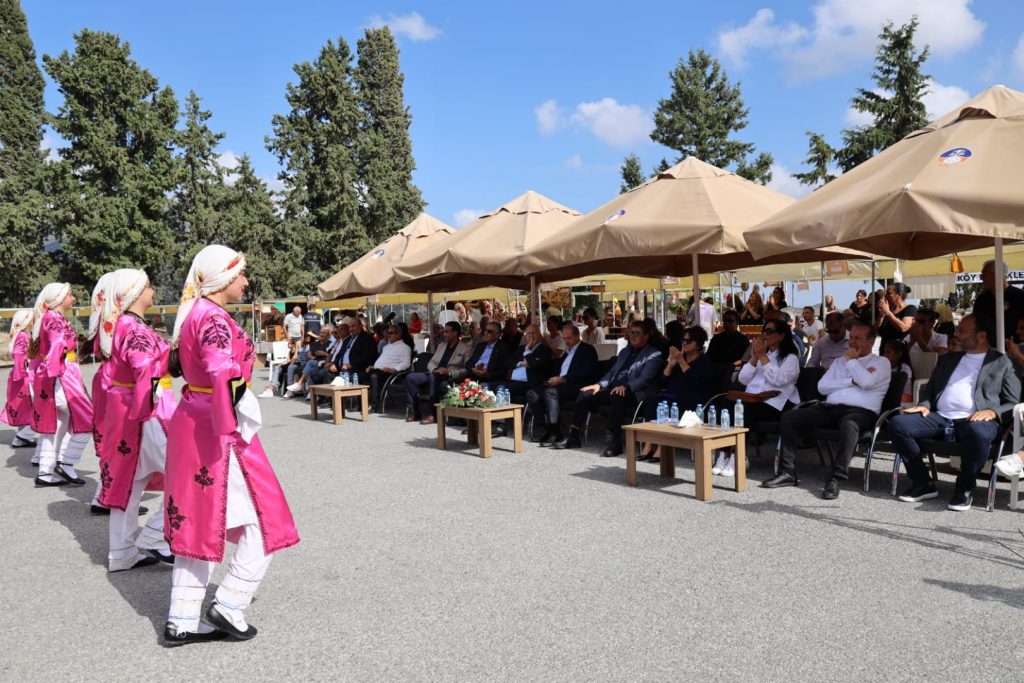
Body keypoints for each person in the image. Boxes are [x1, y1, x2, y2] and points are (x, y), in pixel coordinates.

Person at [164, 245, 299, 645]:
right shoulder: (214, 319)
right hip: (218, 428)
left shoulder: (196, 314)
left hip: (194, 418)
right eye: (240, 274)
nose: (245, 281)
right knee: (267, 520)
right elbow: (222, 370)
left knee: (197, 521)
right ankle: (231, 602)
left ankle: (183, 617)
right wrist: (238, 416)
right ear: (223, 279)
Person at [889, 314, 1020, 511]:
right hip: (940, 417)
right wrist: (925, 403)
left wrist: (993, 411)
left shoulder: (1002, 363)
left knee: (978, 433)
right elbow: (930, 389)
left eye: (962, 330)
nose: (956, 333)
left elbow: (1013, 403)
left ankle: (964, 488)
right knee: (898, 424)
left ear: (982, 336)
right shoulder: (948, 359)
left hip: (976, 420)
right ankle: (923, 482)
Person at [94, 269, 176, 572]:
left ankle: (122, 552)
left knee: (130, 481)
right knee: (186, 472)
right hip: (147, 411)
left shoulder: (122, 326)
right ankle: (156, 536)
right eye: (149, 287)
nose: (153, 292)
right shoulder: (136, 330)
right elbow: (144, 368)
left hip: (126, 411)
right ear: (135, 293)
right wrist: (151, 406)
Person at [765, 322, 891, 498]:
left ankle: (835, 477)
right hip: (831, 408)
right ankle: (787, 472)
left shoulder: (881, 362)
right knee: (790, 417)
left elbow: (866, 382)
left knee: (850, 424)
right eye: (851, 337)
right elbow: (822, 387)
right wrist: (850, 380)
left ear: (871, 341)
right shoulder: (840, 361)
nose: (852, 342)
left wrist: (852, 363)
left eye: (858, 338)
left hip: (862, 412)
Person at [554, 320, 663, 457]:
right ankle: (573, 436)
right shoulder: (624, 351)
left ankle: (615, 442)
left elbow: (645, 379)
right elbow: (611, 373)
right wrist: (598, 385)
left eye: (637, 333)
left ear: (646, 336)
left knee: (617, 395)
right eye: (631, 333)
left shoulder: (653, 354)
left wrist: (626, 386)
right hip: (613, 389)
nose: (633, 336)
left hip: (635, 393)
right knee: (585, 392)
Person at [30, 283, 94, 487]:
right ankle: (66, 463)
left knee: (57, 424)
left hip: (55, 375)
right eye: (70, 295)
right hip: (62, 376)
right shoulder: (55, 320)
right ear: (59, 298)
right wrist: (57, 372)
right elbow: (57, 345)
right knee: (89, 418)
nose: (73, 298)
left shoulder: (49, 317)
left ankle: (45, 471)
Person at [728, 320, 801, 474]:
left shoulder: (790, 358)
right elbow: (743, 380)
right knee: (728, 405)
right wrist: (754, 358)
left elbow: (779, 380)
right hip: (754, 399)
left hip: (777, 403)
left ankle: (739, 456)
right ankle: (724, 453)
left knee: (744, 410)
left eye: (769, 331)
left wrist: (762, 357)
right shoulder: (763, 356)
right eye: (764, 331)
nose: (765, 335)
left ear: (781, 336)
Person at [639, 326, 713, 462]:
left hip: (694, 398)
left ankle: (663, 444)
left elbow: (694, 381)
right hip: (673, 394)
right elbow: (662, 383)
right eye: (683, 340)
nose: (684, 343)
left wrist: (681, 360)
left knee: (674, 404)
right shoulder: (679, 360)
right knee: (654, 400)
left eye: (688, 340)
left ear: (698, 344)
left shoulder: (704, 362)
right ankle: (649, 443)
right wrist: (671, 365)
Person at [532, 322, 599, 446]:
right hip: (560, 384)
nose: (566, 341)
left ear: (578, 336)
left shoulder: (587, 349)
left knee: (549, 392)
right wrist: (553, 379)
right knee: (533, 394)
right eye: (564, 338)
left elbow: (588, 371)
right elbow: (558, 369)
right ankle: (543, 427)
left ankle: (554, 430)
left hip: (576, 386)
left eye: (569, 338)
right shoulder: (566, 352)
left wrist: (563, 379)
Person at [406, 322, 472, 424]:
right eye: (444, 331)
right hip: (434, 372)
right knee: (411, 377)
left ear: (455, 333)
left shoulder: (465, 348)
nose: (444, 334)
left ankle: (433, 414)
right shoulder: (441, 345)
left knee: (433, 377)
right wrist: (434, 369)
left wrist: (449, 372)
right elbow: (431, 362)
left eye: (447, 332)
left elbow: (467, 369)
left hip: (449, 376)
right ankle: (414, 411)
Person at [2, 309, 37, 449]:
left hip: (20, 375)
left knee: (23, 405)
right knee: (27, 404)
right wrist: (22, 372)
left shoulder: (23, 334)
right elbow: (18, 354)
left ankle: (22, 436)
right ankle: (21, 437)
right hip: (22, 376)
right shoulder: (23, 335)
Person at [972, 259, 1024, 338]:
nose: (981, 278)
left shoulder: (1020, 297)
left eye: (983, 275)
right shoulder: (981, 299)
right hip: (988, 347)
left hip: (1016, 347)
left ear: (996, 275)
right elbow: (975, 324)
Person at [499, 324, 552, 401]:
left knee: (501, 389)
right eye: (528, 333)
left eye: (533, 333)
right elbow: (507, 363)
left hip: (529, 383)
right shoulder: (521, 348)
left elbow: (534, 365)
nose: (531, 335)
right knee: (487, 386)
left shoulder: (545, 350)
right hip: (512, 381)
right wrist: (520, 364)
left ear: (539, 335)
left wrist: (527, 351)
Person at [367, 324, 413, 411]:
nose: (388, 335)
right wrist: (373, 366)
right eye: (387, 332)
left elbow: (406, 363)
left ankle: (374, 405)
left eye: (390, 333)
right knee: (359, 374)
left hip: (390, 373)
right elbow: (383, 360)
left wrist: (394, 369)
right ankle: (359, 402)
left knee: (374, 376)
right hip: (378, 370)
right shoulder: (387, 347)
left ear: (398, 334)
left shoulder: (404, 347)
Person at [877, 283, 916, 348]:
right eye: (885, 293)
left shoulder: (910, 309)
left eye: (888, 293)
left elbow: (903, 328)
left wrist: (888, 313)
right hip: (885, 351)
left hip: (900, 352)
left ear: (899, 295)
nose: (885, 296)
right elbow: (876, 331)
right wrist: (881, 316)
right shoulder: (887, 309)